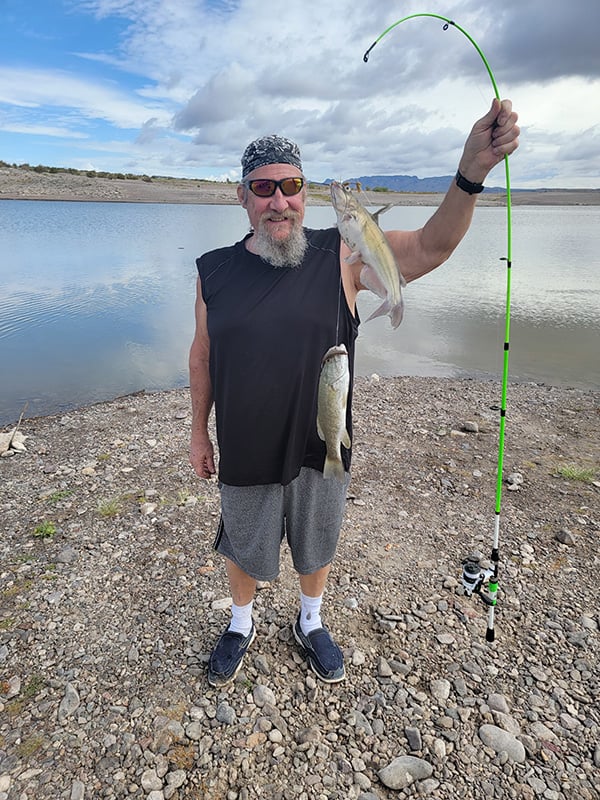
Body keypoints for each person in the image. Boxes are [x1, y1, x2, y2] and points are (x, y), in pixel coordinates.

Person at [189, 99, 520, 687]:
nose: (278, 200)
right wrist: (197, 430)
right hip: (243, 443)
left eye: (290, 184)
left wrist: (470, 174)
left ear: (306, 191)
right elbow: (204, 354)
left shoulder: (341, 253)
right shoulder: (212, 270)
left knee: (317, 542)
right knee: (242, 545)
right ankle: (241, 622)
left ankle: (310, 619)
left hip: (324, 439)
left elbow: (428, 248)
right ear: (241, 196)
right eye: (262, 187)